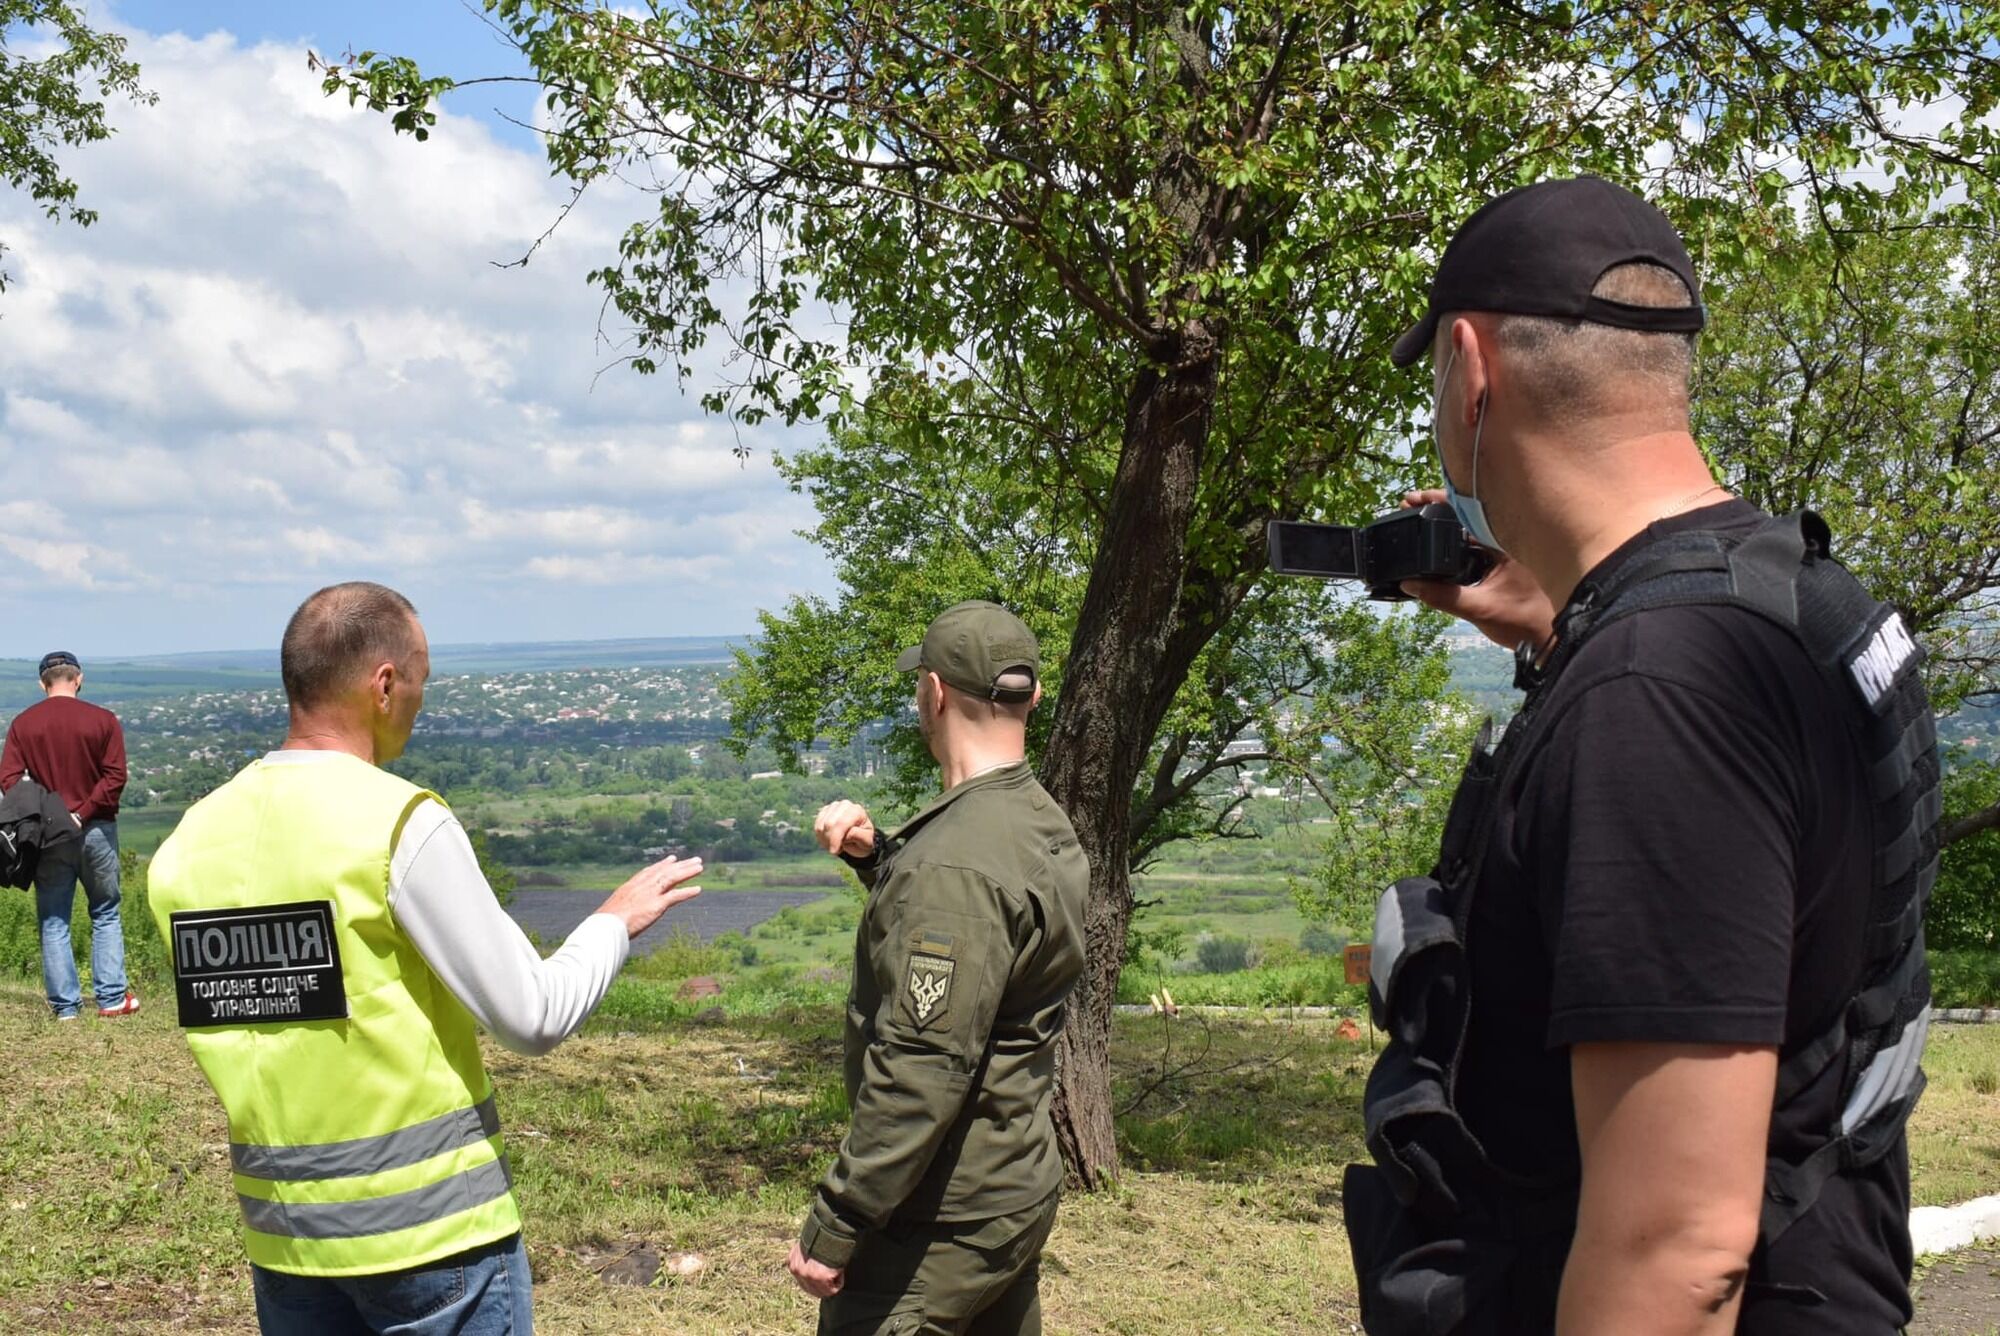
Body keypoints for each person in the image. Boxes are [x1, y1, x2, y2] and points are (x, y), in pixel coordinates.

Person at [1342, 177, 1935, 1335]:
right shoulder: (1796, 596)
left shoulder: (1661, 693)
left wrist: (1614, 668)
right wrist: (1552, 617)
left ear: (1469, 371)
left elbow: (1674, 1253)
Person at [148, 582, 705, 1335]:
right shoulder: (396, 822)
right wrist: (612, 923)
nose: (420, 701)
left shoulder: (188, 843)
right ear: (383, 685)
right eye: (420, 682)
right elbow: (532, 1015)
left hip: (287, 1245)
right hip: (436, 1244)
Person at [786, 600, 1088, 1335]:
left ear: (937, 692)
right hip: (1011, 1188)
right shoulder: (1034, 819)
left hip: (938, 1220)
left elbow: (923, 1067)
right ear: (1032, 697)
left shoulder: (954, 867)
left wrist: (839, 1219)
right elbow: (991, 949)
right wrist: (886, 861)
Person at [0, 650, 136, 1020]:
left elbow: (10, 780)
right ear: (79, 679)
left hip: (48, 837)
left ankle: (66, 1008)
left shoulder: (24, 725)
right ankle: (110, 999)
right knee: (106, 912)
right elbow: (114, 777)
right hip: (98, 830)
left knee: (53, 919)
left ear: (42, 684)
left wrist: (51, 813)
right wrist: (81, 813)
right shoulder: (103, 721)